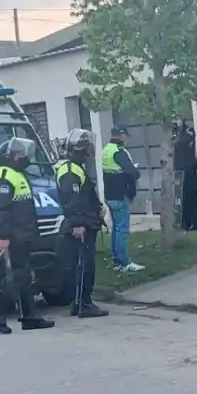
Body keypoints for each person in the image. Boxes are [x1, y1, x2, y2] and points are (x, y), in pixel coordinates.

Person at [0, 137, 55, 334]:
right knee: (16, 276)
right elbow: (2, 210)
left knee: (23, 276)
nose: (23, 157)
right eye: (19, 155)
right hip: (14, 236)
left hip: (23, 235)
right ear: (8, 157)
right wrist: (3, 237)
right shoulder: (4, 176)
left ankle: (29, 317)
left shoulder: (17, 174)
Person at [55, 128, 109, 318]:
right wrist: (78, 223)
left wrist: (97, 208)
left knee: (82, 265)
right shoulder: (70, 170)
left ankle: (79, 303)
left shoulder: (76, 168)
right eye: (86, 147)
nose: (89, 151)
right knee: (84, 266)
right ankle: (83, 304)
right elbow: (73, 200)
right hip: (81, 225)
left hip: (86, 222)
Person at [101, 126, 144, 272]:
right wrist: (136, 171)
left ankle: (117, 262)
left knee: (115, 229)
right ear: (121, 136)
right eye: (124, 136)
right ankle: (125, 262)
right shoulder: (118, 151)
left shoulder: (106, 149)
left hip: (110, 195)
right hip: (120, 195)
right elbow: (131, 171)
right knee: (122, 230)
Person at [173, 116, 197, 231]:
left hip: (189, 168)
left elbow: (182, 142)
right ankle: (184, 223)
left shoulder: (189, 130)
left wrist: (179, 130)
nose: (176, 121)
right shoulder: (171, 132)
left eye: (178, 119)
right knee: (181, 197)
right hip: (178, 169)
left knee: (192, 196)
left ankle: (196, 223)